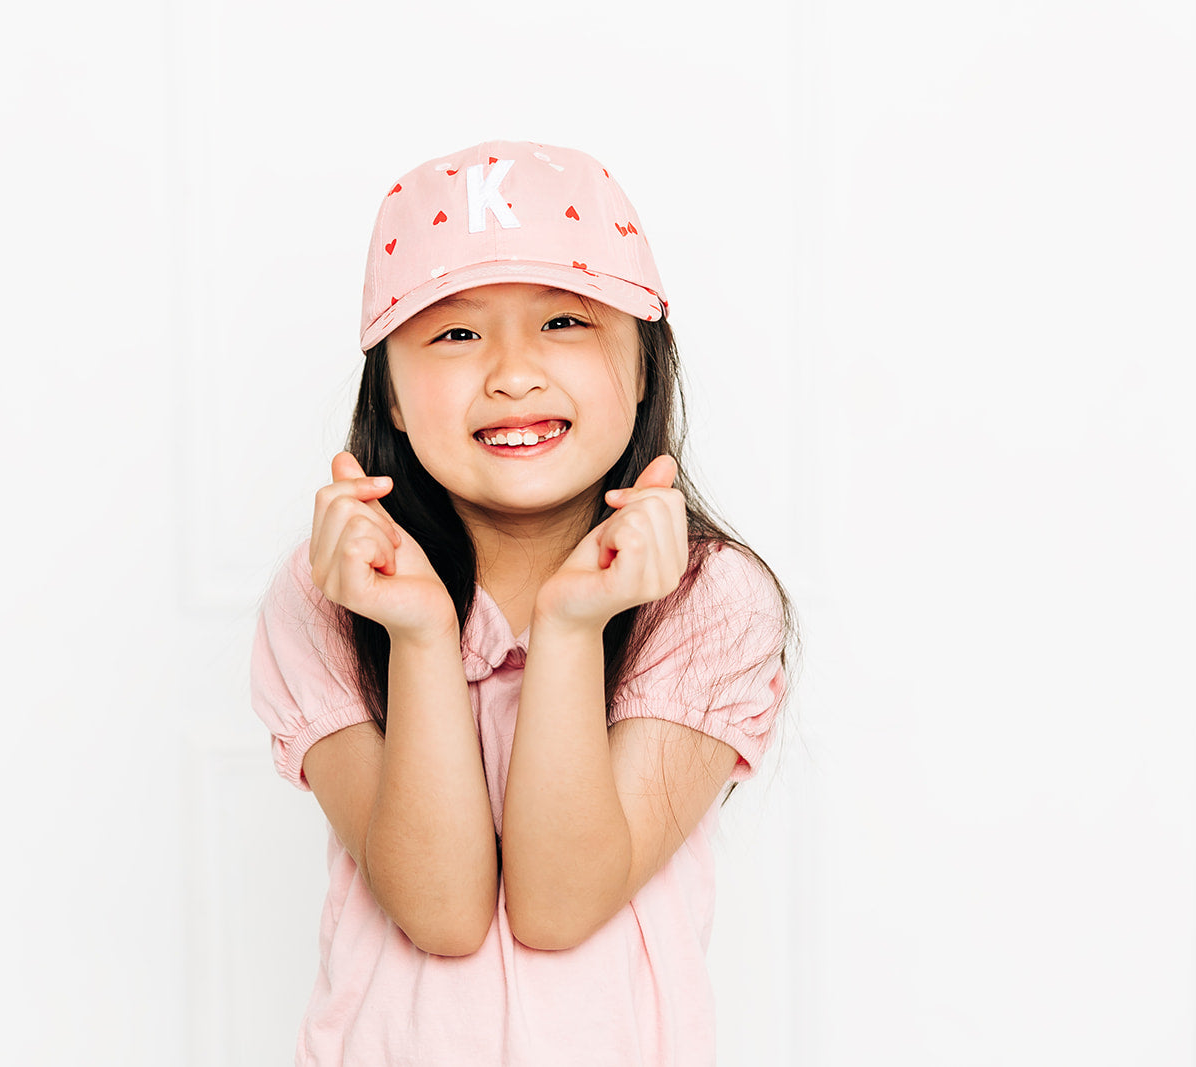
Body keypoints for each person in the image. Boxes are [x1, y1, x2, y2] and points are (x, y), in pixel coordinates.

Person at [250, 139, 797, 1066]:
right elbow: (443, 912)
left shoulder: (709, 602)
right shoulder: (328, 594)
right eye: (457, 333)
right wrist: (419, 635)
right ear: (388, 389)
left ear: (644, 357)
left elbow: (556, 902)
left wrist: (575, 626)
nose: (512, 371)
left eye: (565, 323)